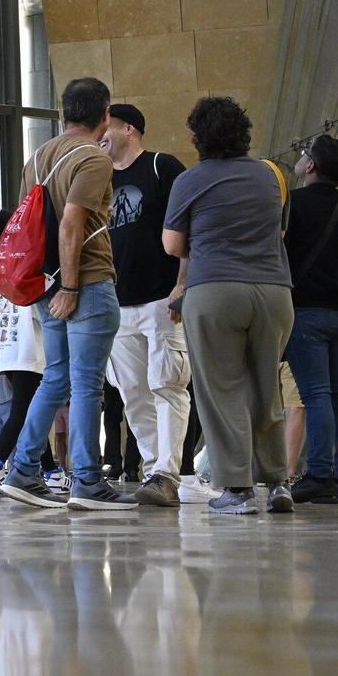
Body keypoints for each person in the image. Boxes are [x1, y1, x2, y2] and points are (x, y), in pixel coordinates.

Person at [0, 77, 141, 511]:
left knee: (56, 377)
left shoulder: (38, 157)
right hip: (86, 281)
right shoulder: (93, 158)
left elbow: (32, 223)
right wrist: (74, 285)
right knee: (87, 384)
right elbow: (71, 222)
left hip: (45, 284)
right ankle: (88, 481)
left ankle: (22, 470)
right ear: (105, 114)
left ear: (63, 112)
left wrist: (57, 285)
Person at [160, 96, 295, 516]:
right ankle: (278, 483)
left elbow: (172, 244)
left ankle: (237, 489)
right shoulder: (272, 175)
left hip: (215, 290)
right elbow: (282, 231)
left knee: (221, 391)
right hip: (274, 291)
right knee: (266, 388)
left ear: (199, 137)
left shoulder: (190, 181)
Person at [99, 103, 194, 507]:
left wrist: (183, 284)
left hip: (161, 299)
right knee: (133, 391)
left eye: (108, 127)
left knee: (167, 384)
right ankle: (155, 469)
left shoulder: (161, 166)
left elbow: (189, 225)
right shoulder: (98, 177)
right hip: (116, 304)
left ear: (130, 129)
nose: (100, 134)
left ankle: (167, 473)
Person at [281, 134, 338, 504]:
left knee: (315, 393)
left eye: (305, 154)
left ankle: (318, 475)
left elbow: (279, 252)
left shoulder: (293, 205)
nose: (301, 158)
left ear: (312, 166)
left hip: (308, 311)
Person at [0, 210, 54, 494]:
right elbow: (36, 305)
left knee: (32, 409)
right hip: (28, 348)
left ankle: (52, 470)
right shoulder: (24, 260)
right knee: (23, 409)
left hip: (5, 350)